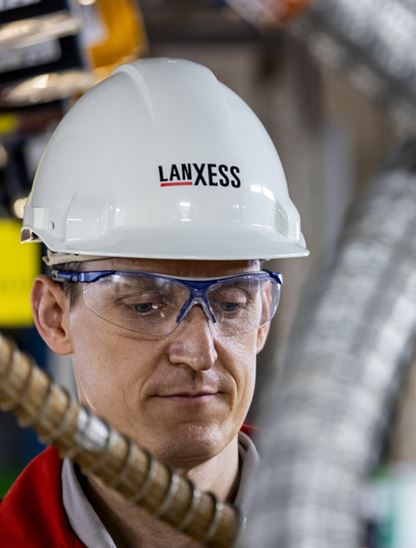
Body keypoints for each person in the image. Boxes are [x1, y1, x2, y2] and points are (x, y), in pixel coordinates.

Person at [0, 57, 308, 546]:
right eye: (146, 305)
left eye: (231, 304)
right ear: (55, 316)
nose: (200, 352)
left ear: (263, 319)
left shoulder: (339, 525)